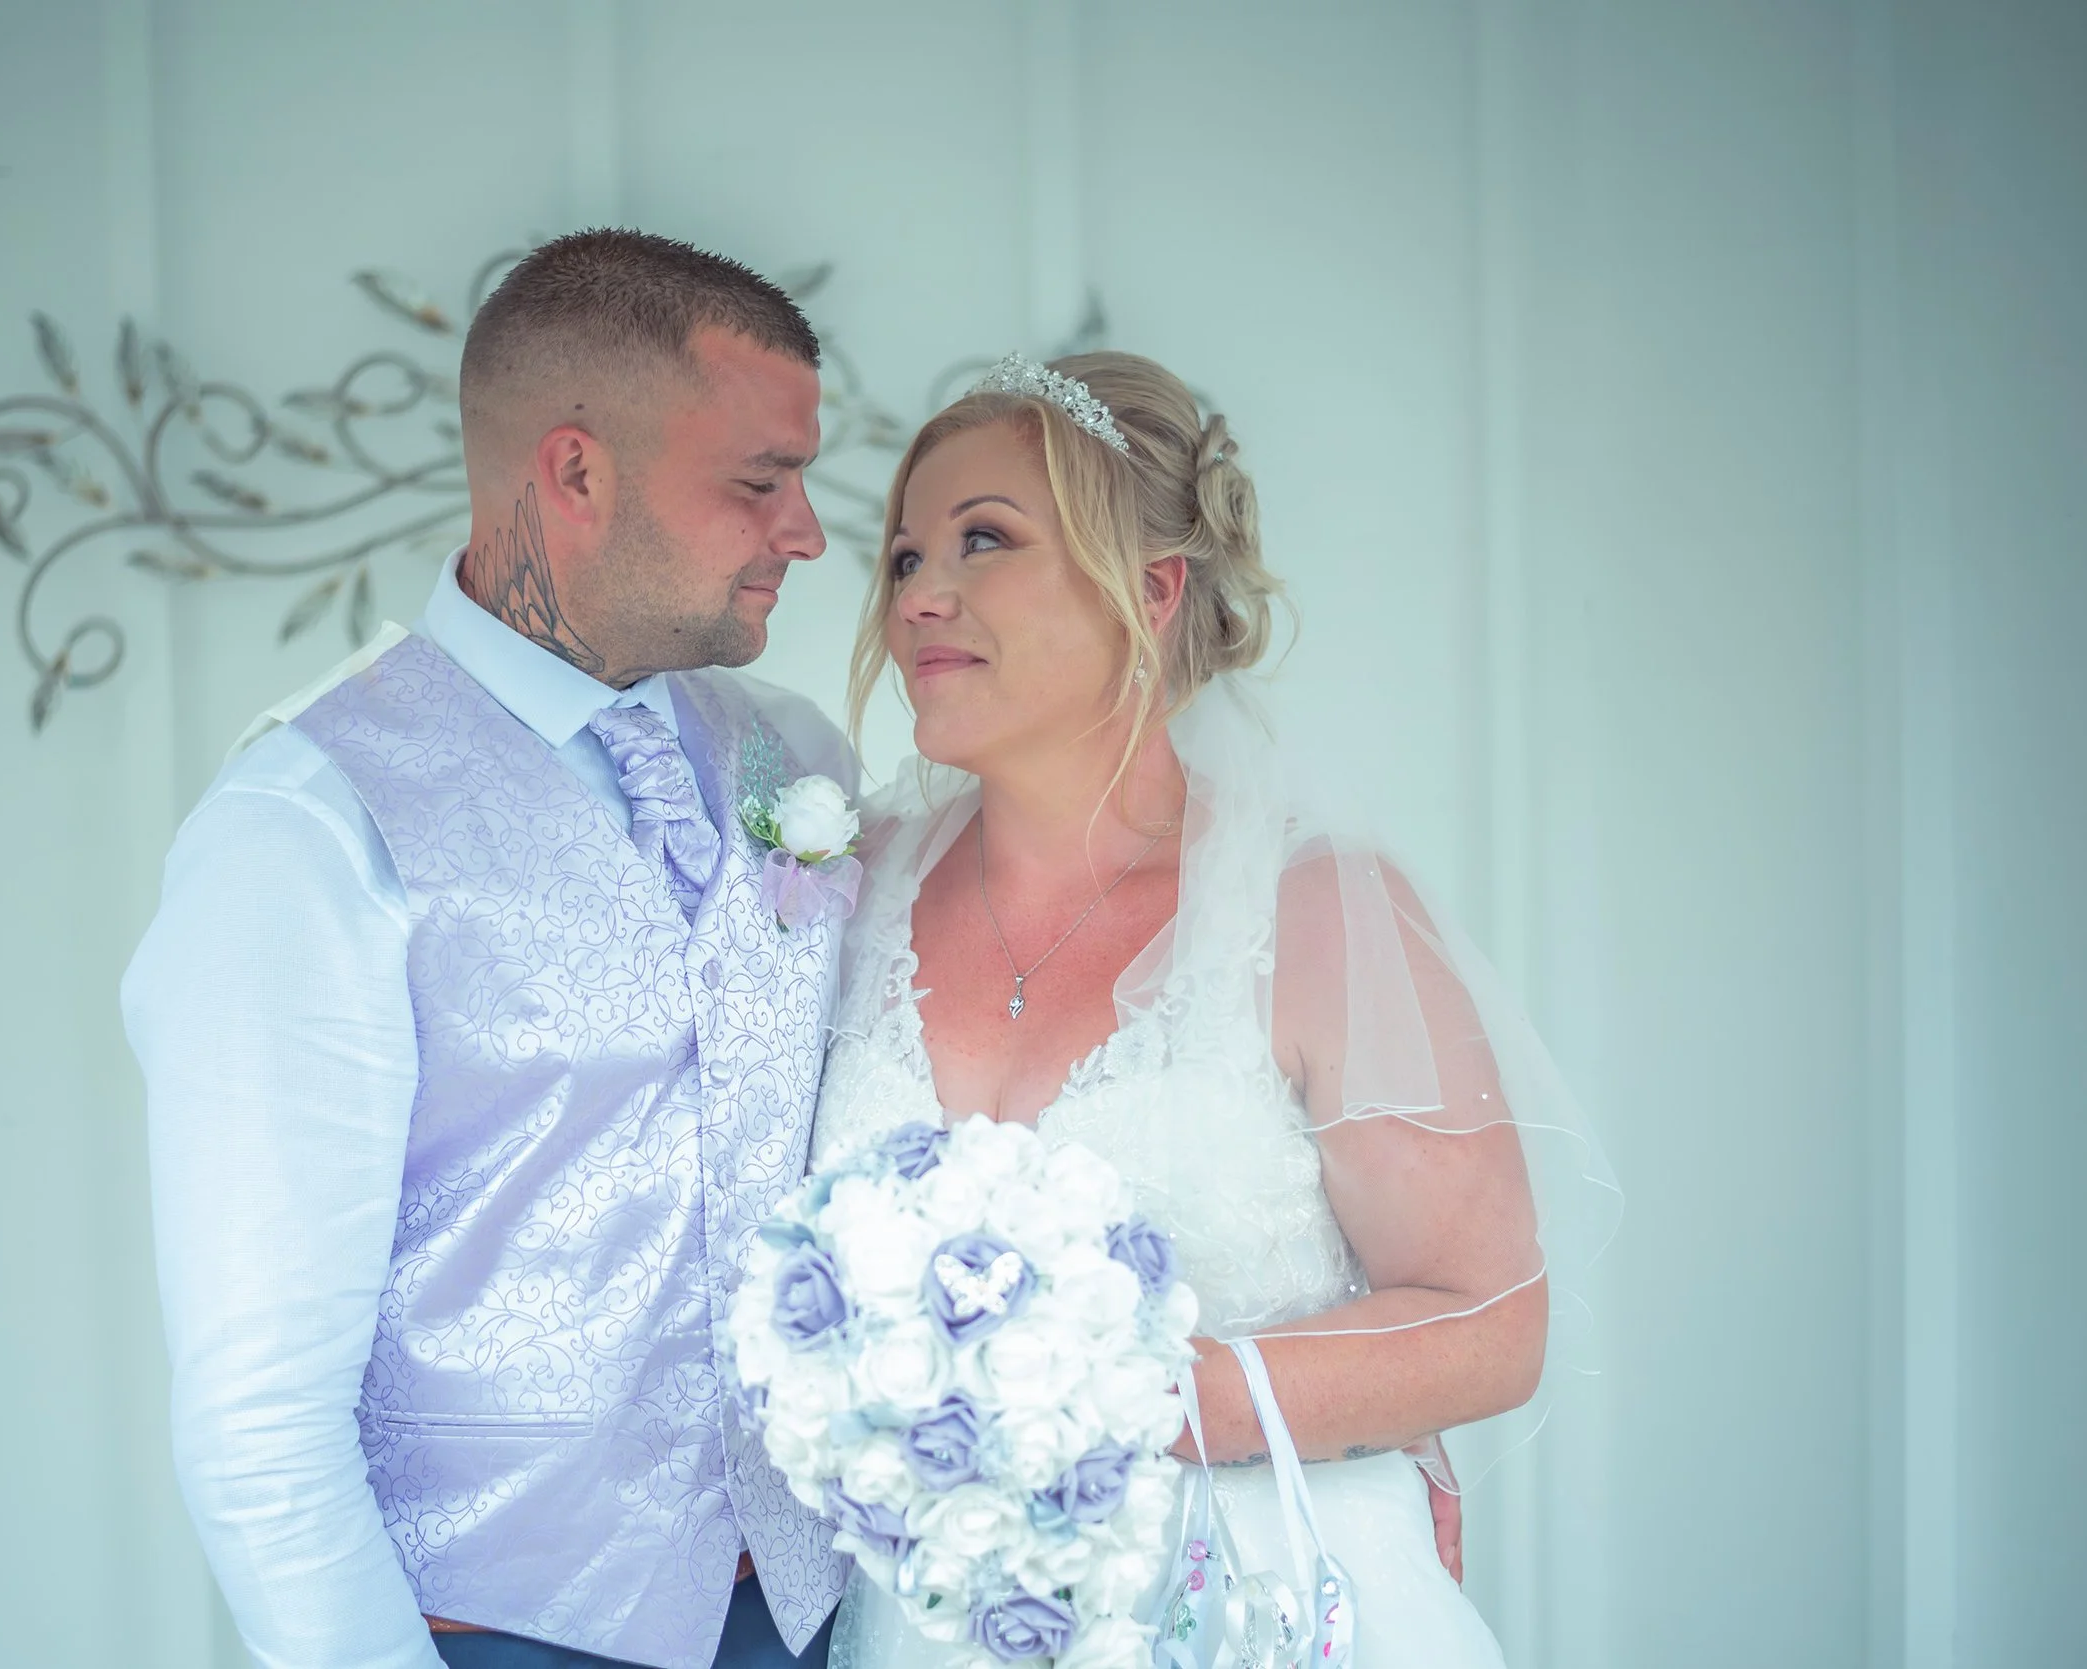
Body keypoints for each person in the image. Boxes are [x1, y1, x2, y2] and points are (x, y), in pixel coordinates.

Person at [808, 351, 1616, 1666]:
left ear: (1152, 587)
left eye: (982, 540)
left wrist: (1139, 1401)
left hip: (1256, 1609)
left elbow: (1487, 1318)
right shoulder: (845, 888)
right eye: (904, 558)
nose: (920, 596)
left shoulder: (1307, 912)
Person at [124, 229, 859, 1669]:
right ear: (577, 473)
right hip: (498, 1632)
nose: (806, 532)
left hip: (812, 1614)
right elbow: (258, 1412)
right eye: (758, 482)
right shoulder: (307, 824)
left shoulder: (796, 758)